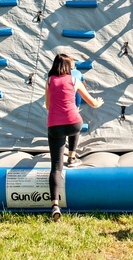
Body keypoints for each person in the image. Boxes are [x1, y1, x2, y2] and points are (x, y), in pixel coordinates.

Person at [45, 53, 104, 221]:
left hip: (54, 125)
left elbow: (48, 106)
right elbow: (92, 102)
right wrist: (98, 102)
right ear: (68, 67)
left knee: (56, 167)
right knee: (75, 119)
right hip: (73, 123)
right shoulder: (74, 80)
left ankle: (55, 205)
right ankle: (72, 156)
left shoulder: (49, 81)